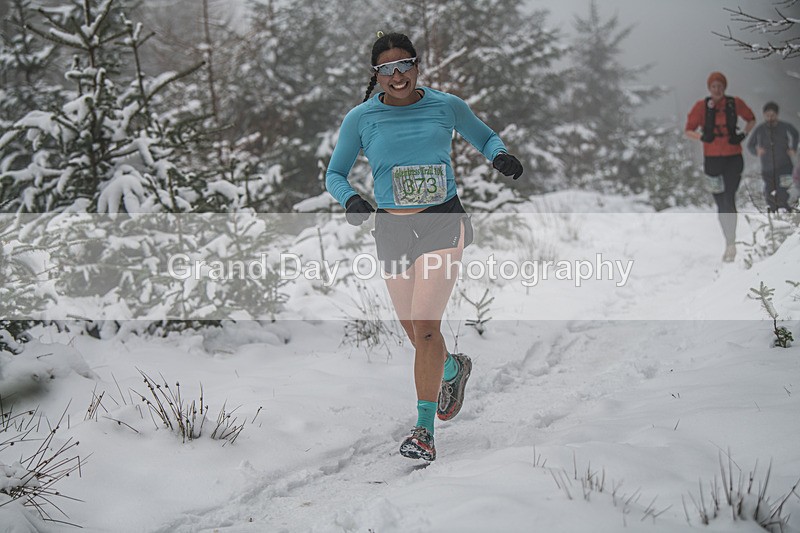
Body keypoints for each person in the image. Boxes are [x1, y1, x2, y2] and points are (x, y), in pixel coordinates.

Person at [325, 32, 523, 461]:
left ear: (417, 66)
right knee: (416, 334)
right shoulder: (361, 118)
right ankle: (453, 369)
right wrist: (352, 200)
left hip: (442, 222)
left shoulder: (446, 105)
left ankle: (423, 431)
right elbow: (334, 174)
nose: (397, 76)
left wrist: (500, 156)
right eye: (386, 70)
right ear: (376, 75)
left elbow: (487, 137)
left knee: (428, 326)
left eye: (404, 66)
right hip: (392, 231)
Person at [685, 71, 755, 262]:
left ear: (725, 87)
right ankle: (728, 240)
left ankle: (732, 244)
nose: (717, 89)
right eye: (714, 86)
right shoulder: (701, 107)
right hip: (712, 160)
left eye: (720, 86)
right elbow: (688, 129)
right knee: (719, 202)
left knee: (729, 197)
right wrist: (702, 137)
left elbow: (751, 119)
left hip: (733, 157)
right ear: (709, 88)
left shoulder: (734, 103)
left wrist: (742, 135)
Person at [746, 102, 799, 213]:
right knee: (769, 190)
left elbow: (795, 134)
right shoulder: (760, 129)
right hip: (767, 167)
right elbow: (750, 145)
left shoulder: (784, 126)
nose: (770, 118)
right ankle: (773, 212)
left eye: (772, 115)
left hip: (785, 165)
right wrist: (756, 151)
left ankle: (785, 211)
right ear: (764, 115)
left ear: (777, 115)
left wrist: (793, 148)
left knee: (783, 190)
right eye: (767, 115)